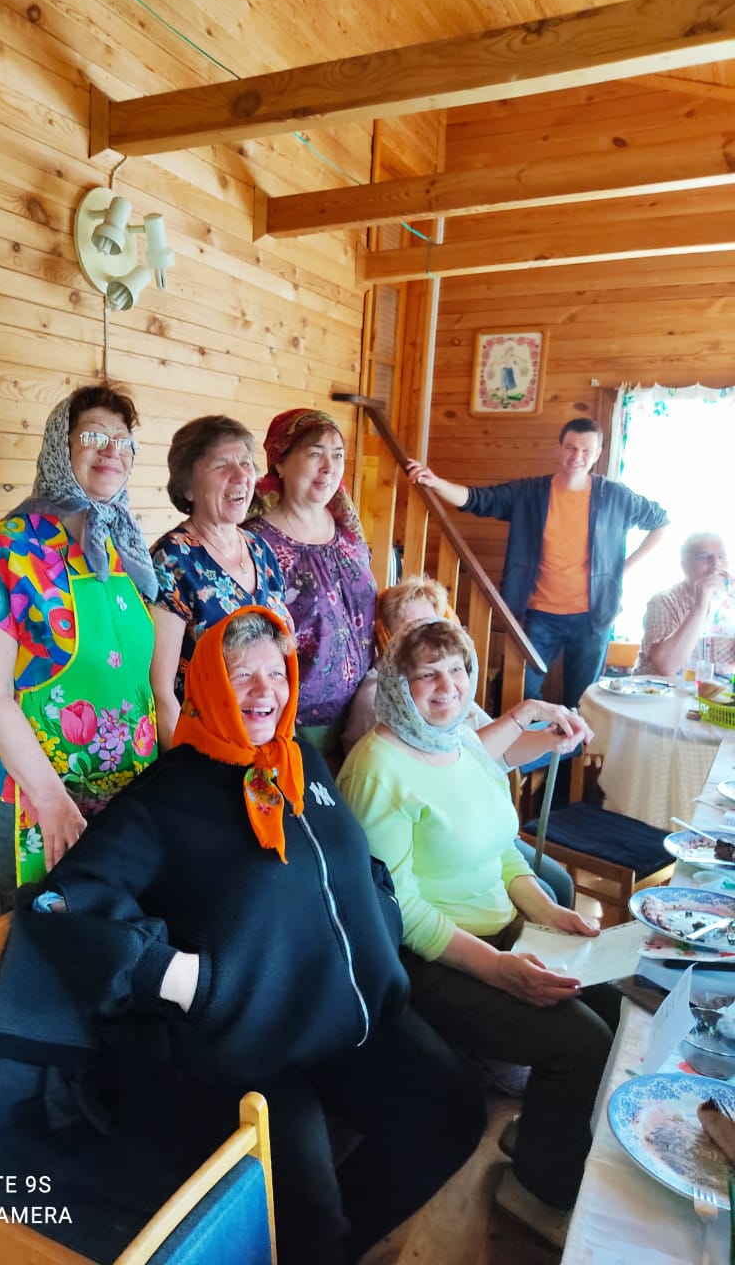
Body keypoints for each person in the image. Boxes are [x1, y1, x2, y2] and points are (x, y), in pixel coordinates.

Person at [0, 607, 486, 1265]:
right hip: (252, 1046)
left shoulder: (300, 761)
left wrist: (381, 914)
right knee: (307, 1217)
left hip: (348, 1011)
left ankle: (340, 1249)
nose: (263, 690)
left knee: (453, 1114)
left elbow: (353, 861)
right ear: (208, 685)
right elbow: (64, 904)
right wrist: (191, 982)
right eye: (242, 674)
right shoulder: (168, 795)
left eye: (276, 673)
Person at [337, 618, 621, 1248]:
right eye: (427, 674)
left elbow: (503, 850)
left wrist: (547, 912)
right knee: (581, 1043)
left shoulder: (461, 740)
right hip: (431, 958)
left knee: (612, 1005)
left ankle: (544, 1136)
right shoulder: (378, 768)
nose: (448, 686)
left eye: (457, 669)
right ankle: (538, 1188)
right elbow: (400, 909)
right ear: (397, 684)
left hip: (501, 929)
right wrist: (499, 970)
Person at [0, 383, 159, 905]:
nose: (111, 450)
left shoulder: (123, 545)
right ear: (58, 447)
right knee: (36, 936)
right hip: (39, 801)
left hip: (127, 798)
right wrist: (51, 801)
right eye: (93, 435)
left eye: (123, 440)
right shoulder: (8, 546)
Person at [342, 574, 593, 908]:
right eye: (411, 629)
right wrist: (526, 711)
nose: (425, 637)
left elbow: (495, 753)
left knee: (559, 886)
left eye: (433, 624)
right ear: (388, 635)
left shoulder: (451, 688)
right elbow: (452, 765)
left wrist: (548, 740)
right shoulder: (384, 698)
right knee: (550, 890)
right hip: (441, 842)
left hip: (478, 825)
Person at [407, 417, 669, 707]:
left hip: (594, 618)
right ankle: (528, 738)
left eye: (586, 450)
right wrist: (436, 482)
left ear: (597, 454)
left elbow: (661, 521)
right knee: (521, 692)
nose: (577, 456)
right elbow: (478, 499)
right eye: (570, 448)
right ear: (559, 449)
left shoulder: (615, 496)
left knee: (582, 701)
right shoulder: (530, 493)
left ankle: (568, 739)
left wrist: (624, 567)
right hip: (539, 616)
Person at [149, 416, 290, 749]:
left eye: (246, 463)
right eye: (222, 465)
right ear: (188, 486)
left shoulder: (260, 549)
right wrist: (184, 768)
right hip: (204, 747)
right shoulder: (172, 559)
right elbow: (161, 691)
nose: (241, 476)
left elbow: (284, 657)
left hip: (262, 736)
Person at [245, 408, 377, 753]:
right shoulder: (257, 543)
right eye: (315, 453)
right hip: (297, 725)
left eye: (338, 455)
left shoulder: (348, 531)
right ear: (280, 462)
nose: (329, 466)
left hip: (364, 711)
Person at [637, 532, 735, 677]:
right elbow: (667, 666)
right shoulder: (664, 601)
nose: (716, 564)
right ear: (684, 565)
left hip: (716, 689)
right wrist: (701, 605)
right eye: (704, 556)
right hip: (661, 689)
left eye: (722, 556)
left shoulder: (730, 602)